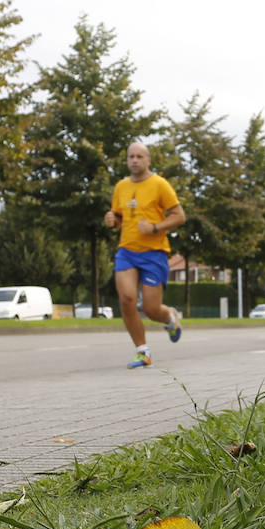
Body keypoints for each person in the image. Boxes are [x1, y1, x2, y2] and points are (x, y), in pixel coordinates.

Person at [104, 142, 187, 368]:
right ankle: (142, 351)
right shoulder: (121, 186)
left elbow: (179, 216)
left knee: (151, 310)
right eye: (131, 156)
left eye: (139, 156)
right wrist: (112, 220)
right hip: (127, 251)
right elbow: (119, 217)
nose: (134, 160)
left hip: (154, 253)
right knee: (127, 299)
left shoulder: (160, 184)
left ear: (148, 160)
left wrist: (154, 227)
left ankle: (169, 317)